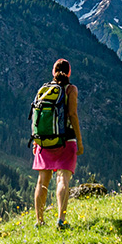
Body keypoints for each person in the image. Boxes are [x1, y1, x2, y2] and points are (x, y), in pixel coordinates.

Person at [32, 58, 84, 229]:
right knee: (62, 179)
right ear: (69, 72)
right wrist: (80, 141)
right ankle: (61, 220)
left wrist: (35, 141)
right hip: (65, 140)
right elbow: (73, 115)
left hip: (43, 141)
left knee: (42, 182)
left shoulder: (44, 90)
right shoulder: (70, 89)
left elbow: (37, 116)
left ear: (53, 72)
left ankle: (39, 221)